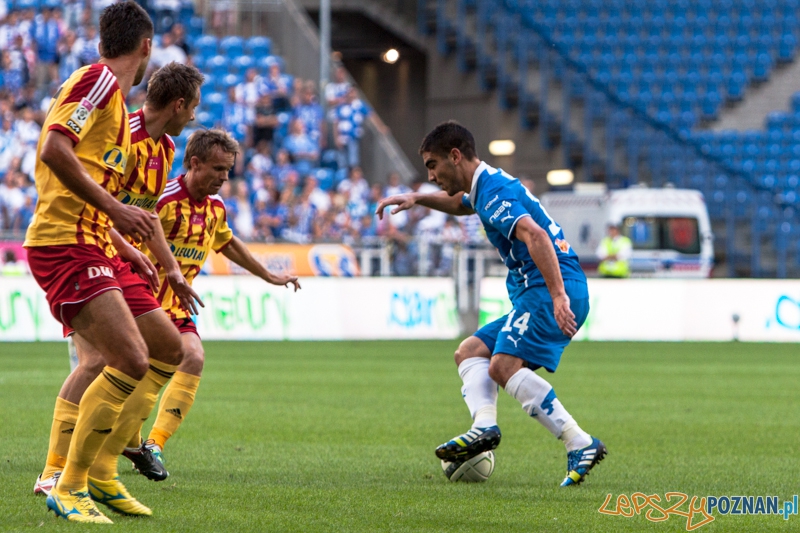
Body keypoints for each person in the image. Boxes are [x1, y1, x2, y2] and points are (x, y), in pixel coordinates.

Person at [376, 121, 606, 487]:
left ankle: (579, 442)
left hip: (549, 288)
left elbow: (535, 234)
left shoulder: (494, 189)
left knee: (502, 365)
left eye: (433, 165)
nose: (431, 175)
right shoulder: (484, 187)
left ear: (455, 156)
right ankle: (483, 428)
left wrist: (558, 294)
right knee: (469, 353)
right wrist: (417, 198)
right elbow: (460, 204)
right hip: (543, 288)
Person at [22, 2, 181, 523]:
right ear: (146, 46)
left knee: (166, 347)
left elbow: (84, 170)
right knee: (129, 360)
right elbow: (52, 149)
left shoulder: (112, 101)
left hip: (96, 243)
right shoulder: (100, 83)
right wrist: (116, 209)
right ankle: (70, 483)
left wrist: (123, 239)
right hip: (65, 242)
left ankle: (102, 474)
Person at [33, 61, 207, 504]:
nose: (195, 118)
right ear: (179, 103)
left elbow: (140, 216)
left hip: (115, 259)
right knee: (94, 362)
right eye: (195, 107)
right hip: (83, 250)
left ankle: (102, 468)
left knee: (169, 349)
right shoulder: (120, 131)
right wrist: (125, 247)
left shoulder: (165, 148)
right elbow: (96, 201)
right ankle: (56, 474)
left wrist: (166, 265)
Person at [141, 128, 300, 464]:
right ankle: (113, 444)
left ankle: (153, 445)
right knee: (130, 370)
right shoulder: (164, 200)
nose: (224, 177)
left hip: (176, 306)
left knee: (193, 357)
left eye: (228, 170)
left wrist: (268, 275)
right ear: (195, 163)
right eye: (217, 169)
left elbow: (226, 242)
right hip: (140, 299)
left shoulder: (215, 208)